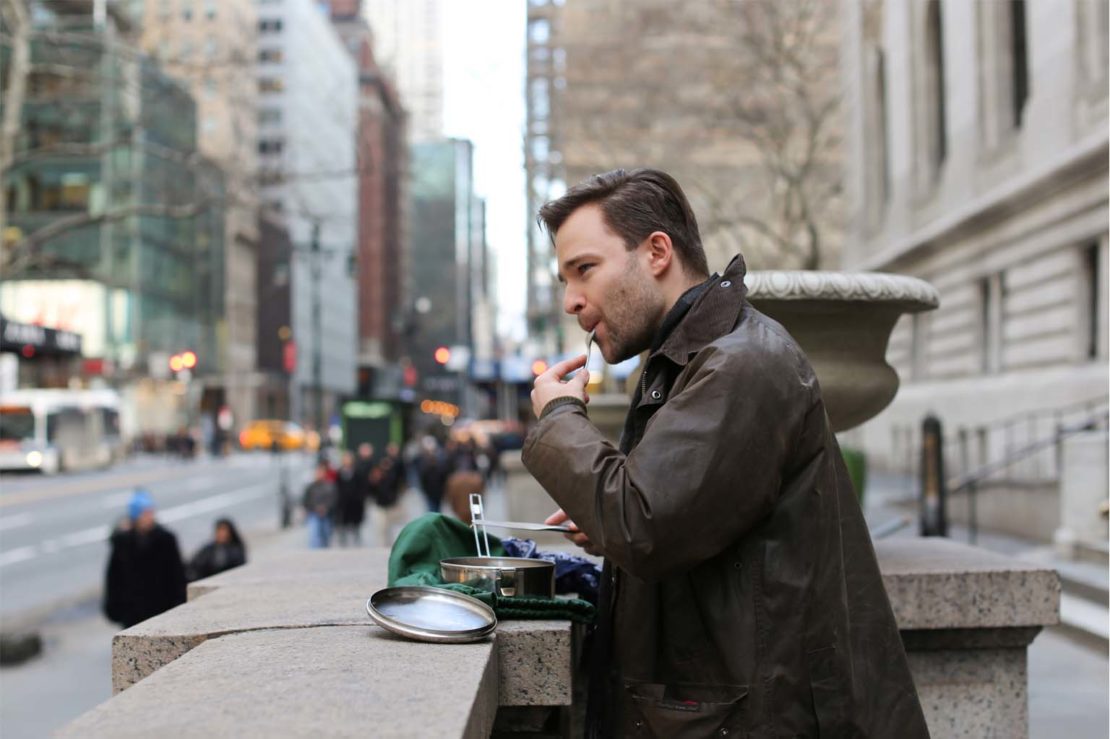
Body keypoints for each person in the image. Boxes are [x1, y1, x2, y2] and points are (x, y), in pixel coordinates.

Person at [523, 169, 928, 737]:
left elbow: (643, 523)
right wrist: (605, 521)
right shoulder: (688, 357)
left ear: (657, 252)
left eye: (584, 270)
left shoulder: (741, 363)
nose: (571, 301)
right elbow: (676, 518)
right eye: (564, 279)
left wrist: (560, 417)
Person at [103, 490, 188, 628]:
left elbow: (177, 573)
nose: (149, 517)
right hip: (132, 611)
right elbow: (114, 578)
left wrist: (180, 601)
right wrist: (114, 606)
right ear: (136, 516)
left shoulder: (166, 539)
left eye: (150, 512)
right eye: (145, 513)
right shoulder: (122, 542)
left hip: (162, 607)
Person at [370, 442, 407, 547]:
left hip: (393, 502)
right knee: (381, 528)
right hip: (380, 504)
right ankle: (382, 546)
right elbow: (372, 488)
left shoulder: (398, 465)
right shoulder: (377, 474)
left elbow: (400, 482)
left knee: (393, 526)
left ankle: (392, 545)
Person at [302, 461, 337, 548]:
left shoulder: (330, 486)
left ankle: (324, 552)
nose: (319, 475)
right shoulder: (310, 487)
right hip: (314, 513)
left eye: (321, 473)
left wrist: (325, 508)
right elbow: (306, 500)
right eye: (317, 473)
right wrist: (313, 508)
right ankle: (313, 554)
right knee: (314, 535)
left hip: (327, 514)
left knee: (326, 535)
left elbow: (333, 499)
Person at [334, 451, 365, 546]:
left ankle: (357, 545)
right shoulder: (339, 473)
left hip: (355, 504)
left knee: (356, 527)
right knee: (342, 527)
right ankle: (343, 546)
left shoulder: (357, 472)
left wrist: (359, 499)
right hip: (343, 505)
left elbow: (362, 487)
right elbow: (336, 487)